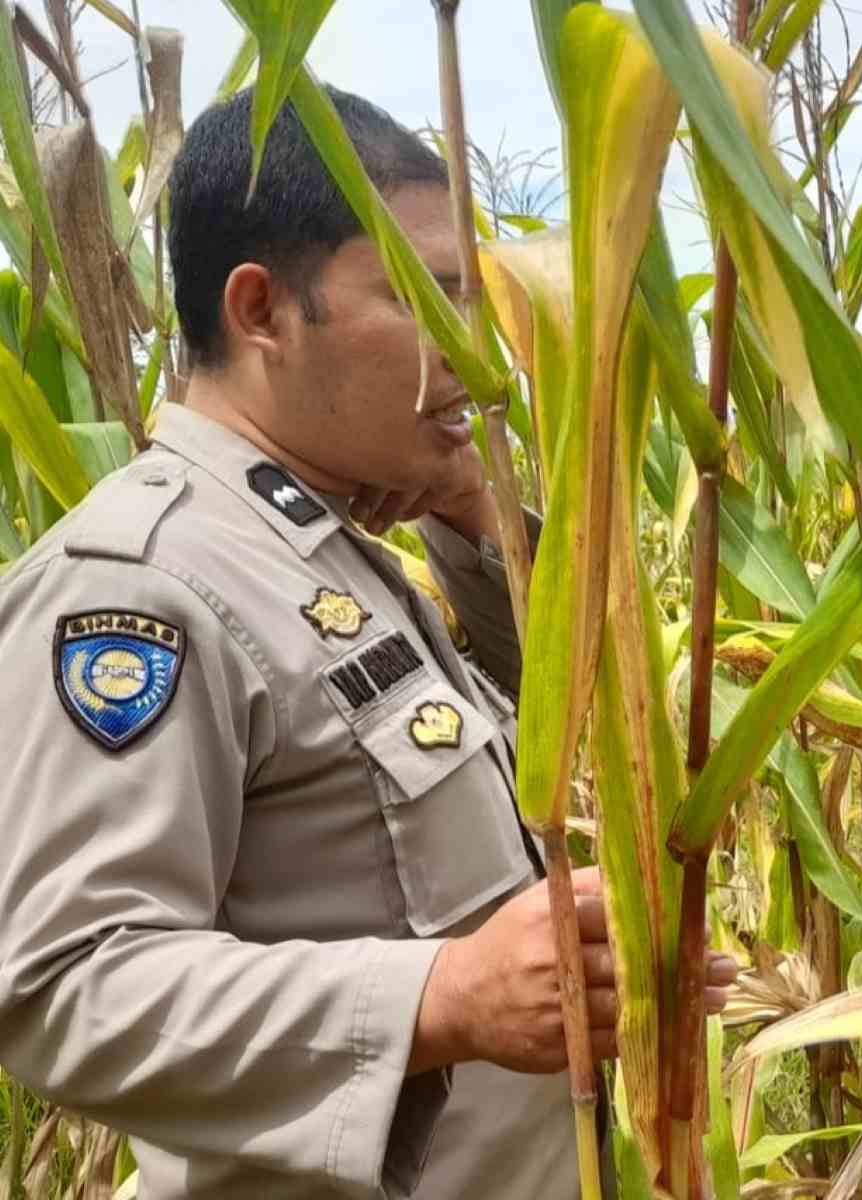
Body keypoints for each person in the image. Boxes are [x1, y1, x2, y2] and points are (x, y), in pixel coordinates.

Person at [0, 87, 733, 1197]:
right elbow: (61, 986)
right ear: (262, 312)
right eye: (428, 298)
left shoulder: (327, 550)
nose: (476, 344)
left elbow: (562, 722)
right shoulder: (145, 588)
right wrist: (443, 997)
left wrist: (473, 510)